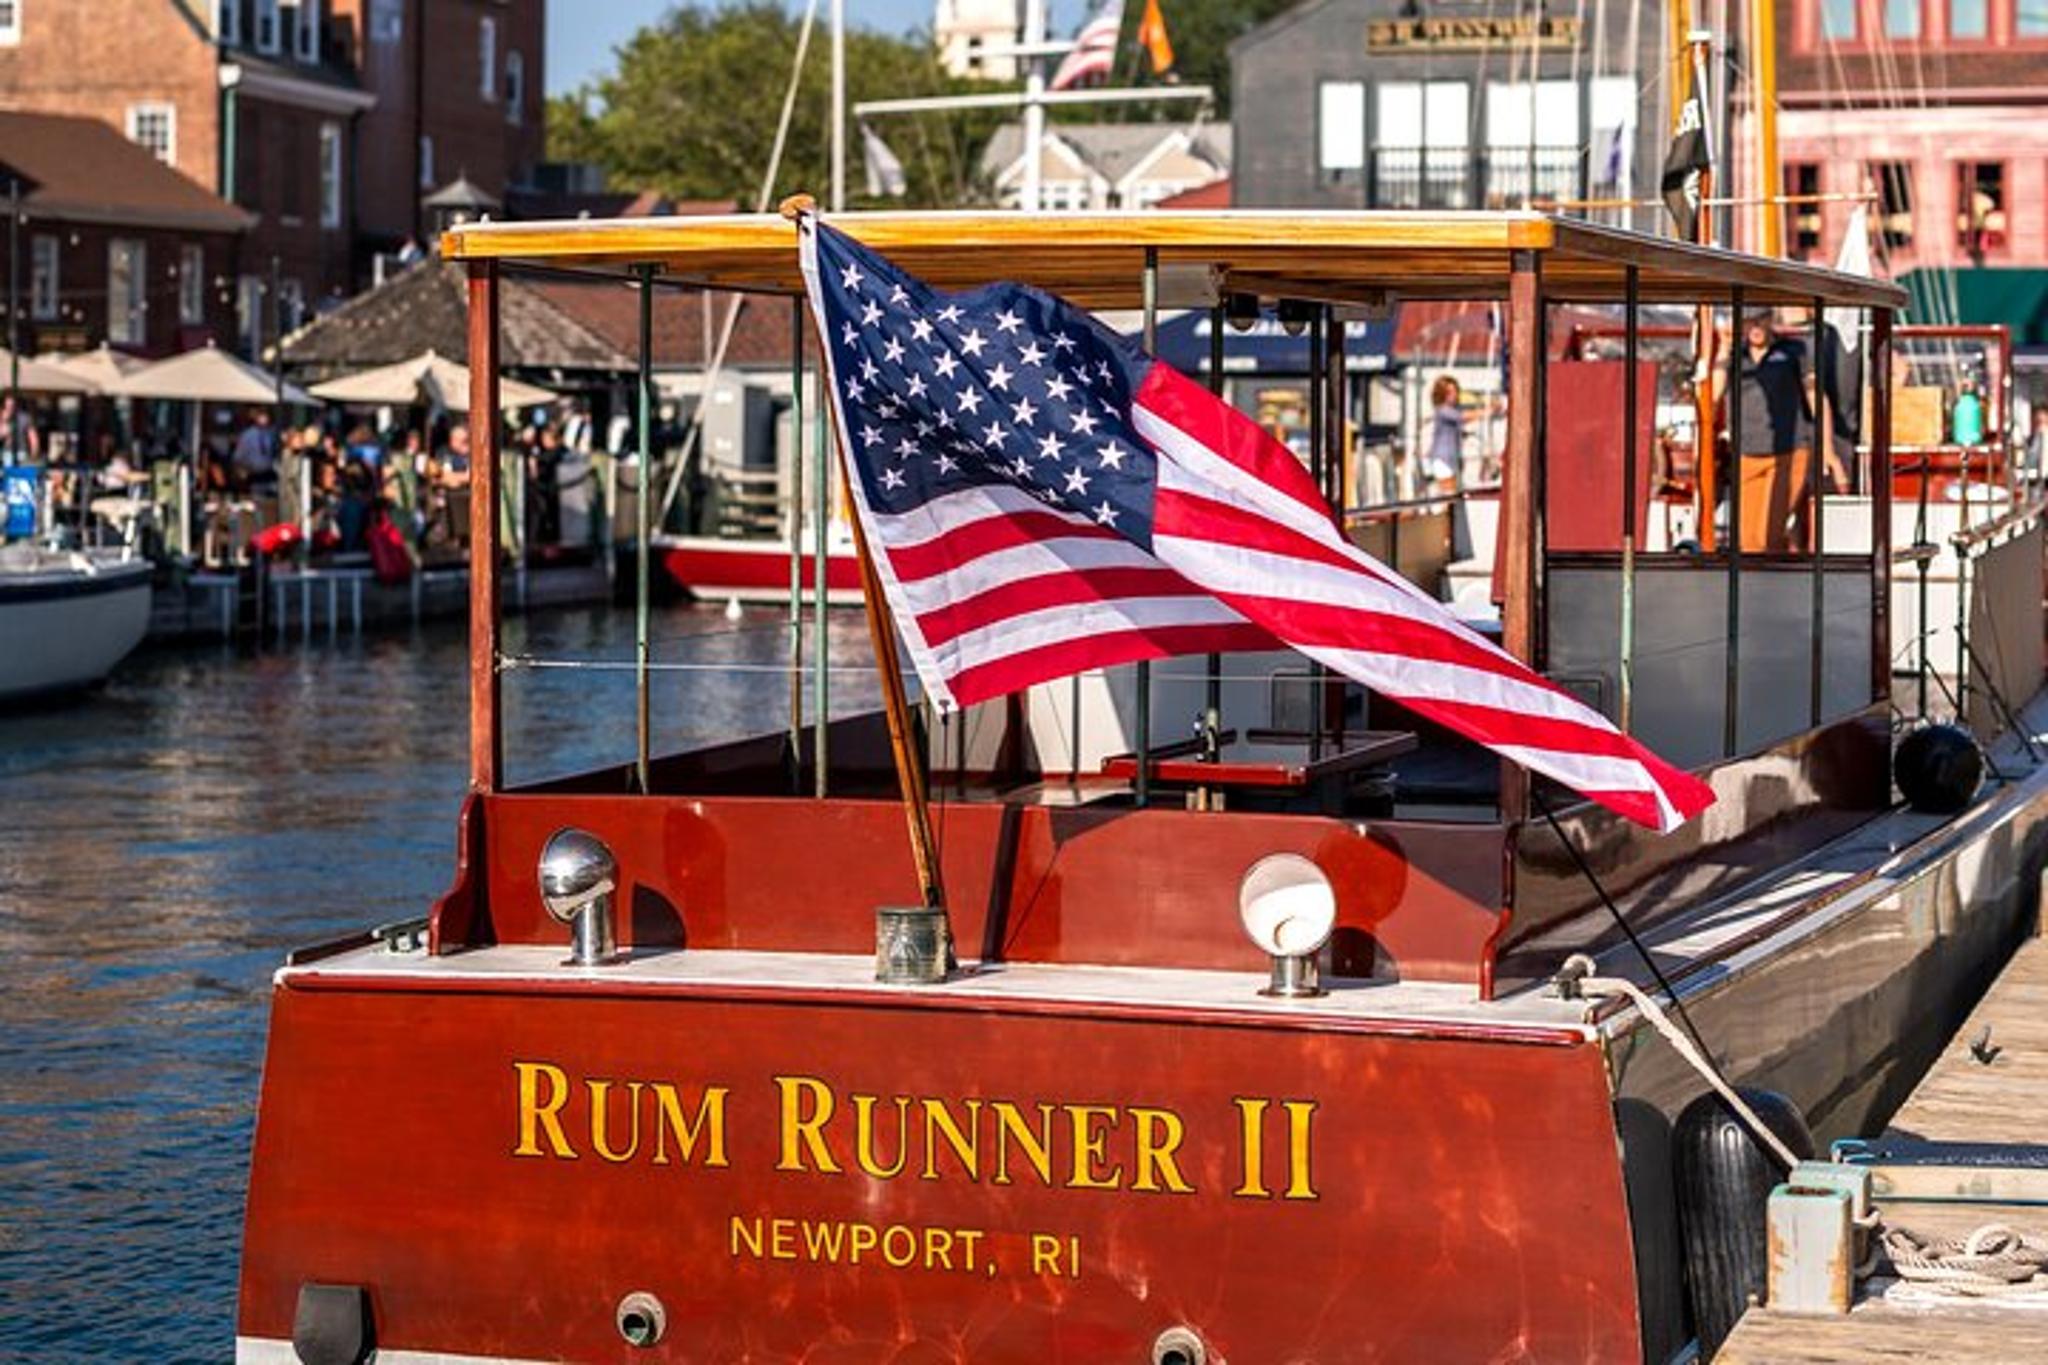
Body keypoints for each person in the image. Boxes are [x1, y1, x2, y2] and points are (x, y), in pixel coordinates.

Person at [1714, 310, 1813, 553]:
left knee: (1767, 533)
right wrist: (1723, 349)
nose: (1756, 326)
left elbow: (1814, 393)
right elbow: (1713, 396)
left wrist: (1826, 446)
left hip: (1789, 451)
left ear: (1770, 319)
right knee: (1747, 541)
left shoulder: (1793, 351)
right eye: (1749, 320)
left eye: (1761, 318)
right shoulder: (1735, 357)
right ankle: (1767, 585)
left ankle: (1776, 576)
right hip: (1746, 452)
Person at [1424, 376, 1465, 492]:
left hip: (1451, 459)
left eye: (1455, 391)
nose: (1454, 395)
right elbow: (1461, 418)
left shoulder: (1450, 410)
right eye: (1450, 392)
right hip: (1443, 459)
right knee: (1448, 495)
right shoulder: (1442, 410)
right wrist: (1489, 410)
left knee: (1451, 496)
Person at [232, 409, 279, 491]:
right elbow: (238, 457)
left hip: (270, 474)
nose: (264, 419)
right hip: (254, 475)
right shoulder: (248, 435)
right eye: (261, 416)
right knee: (257, 497)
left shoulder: (272, 433)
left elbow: (275, 451)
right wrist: (243, 471)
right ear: (256, 418)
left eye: (265, 416)